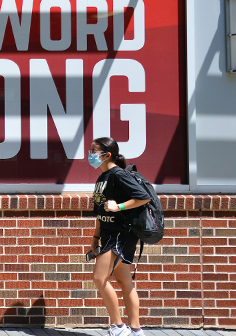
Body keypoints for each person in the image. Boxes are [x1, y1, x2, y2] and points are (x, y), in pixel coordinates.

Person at [87, 137, 151, 336]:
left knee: (99, 277)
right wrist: (95, 238)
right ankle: (135, 329)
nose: (90, 155)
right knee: (124, 280)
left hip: (120, 233)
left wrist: (119, 206)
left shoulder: (118, 175)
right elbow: (100, 213)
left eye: (93, 151)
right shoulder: (102, 178)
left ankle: (118, 326)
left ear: (107, 155)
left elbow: (143, 196)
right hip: (108, 234)